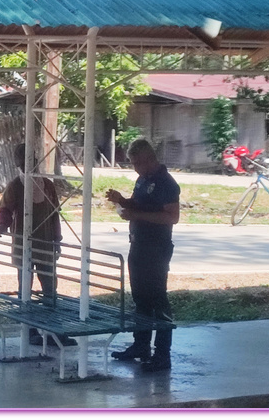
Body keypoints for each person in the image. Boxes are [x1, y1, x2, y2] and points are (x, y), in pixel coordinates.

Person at [105, 139, 179, 372]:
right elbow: (138, 205)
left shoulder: (166, 183)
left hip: (156, 247)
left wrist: (136, 215)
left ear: (149, 159)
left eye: (137, 163)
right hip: (138, 245)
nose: (135, 168)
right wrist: (122, 201)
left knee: (158, 300)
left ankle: (162, 354)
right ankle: (141, 345)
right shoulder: (142, 180)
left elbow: (171, 217)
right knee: (140, 299)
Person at [0, 142, 68, 346]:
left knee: (50, 288)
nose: (27, 162)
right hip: (23, 245)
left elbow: (54, 215)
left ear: (36, 159)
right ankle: (30, 330)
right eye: (22, 158)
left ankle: (54, 329)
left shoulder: (48, 185)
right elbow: (6, 210)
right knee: (25, 287)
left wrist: (57, 240)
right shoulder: (15, 185)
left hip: (45, 245)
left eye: (30, 157)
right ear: (17, 162)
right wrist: (2, 226)